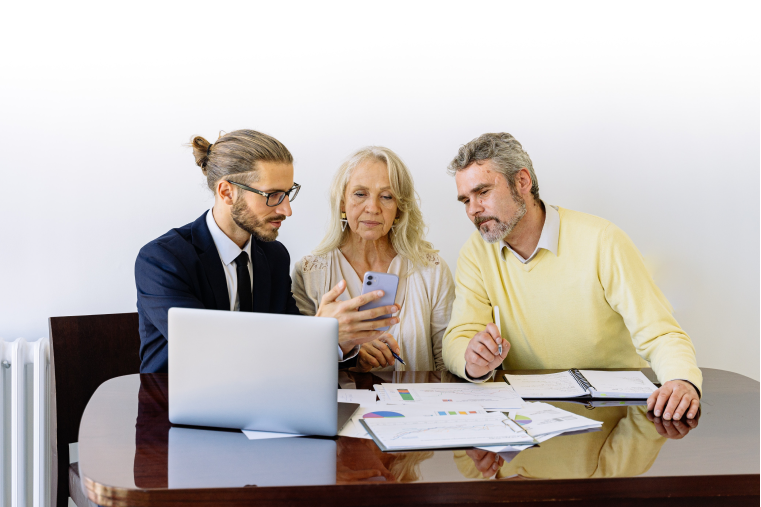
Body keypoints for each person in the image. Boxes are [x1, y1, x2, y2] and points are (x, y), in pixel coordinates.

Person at [442, 132, 702, 422]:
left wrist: (682, 380)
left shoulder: (602, 240)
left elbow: (661, 332)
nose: (473, 210)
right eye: (465, 200)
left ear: (522, 182)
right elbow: (458, 337)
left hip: (613, 416)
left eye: (483, 192)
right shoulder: (476, 252)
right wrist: (472, 359)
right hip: (526, 424)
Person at [135, 130, 400, 373]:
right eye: (272, 195)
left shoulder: (273, 257)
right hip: (174, 412)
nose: (286, 210)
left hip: (261, 408)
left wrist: (344, 340)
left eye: (287, 193)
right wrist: (320, 331)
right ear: (227, 192)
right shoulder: (162, 260)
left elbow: (292, 353)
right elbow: (210, 353)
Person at [292, 147, 454, 372]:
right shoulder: (310, 273)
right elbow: (300, 365)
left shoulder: (431, 271)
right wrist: (345, 347)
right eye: (360, 194)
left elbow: (446, 361)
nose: (373, 208)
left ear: (399, 208)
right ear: (342, 202)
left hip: (417, 404)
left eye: (387, 196)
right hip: (342, 406)